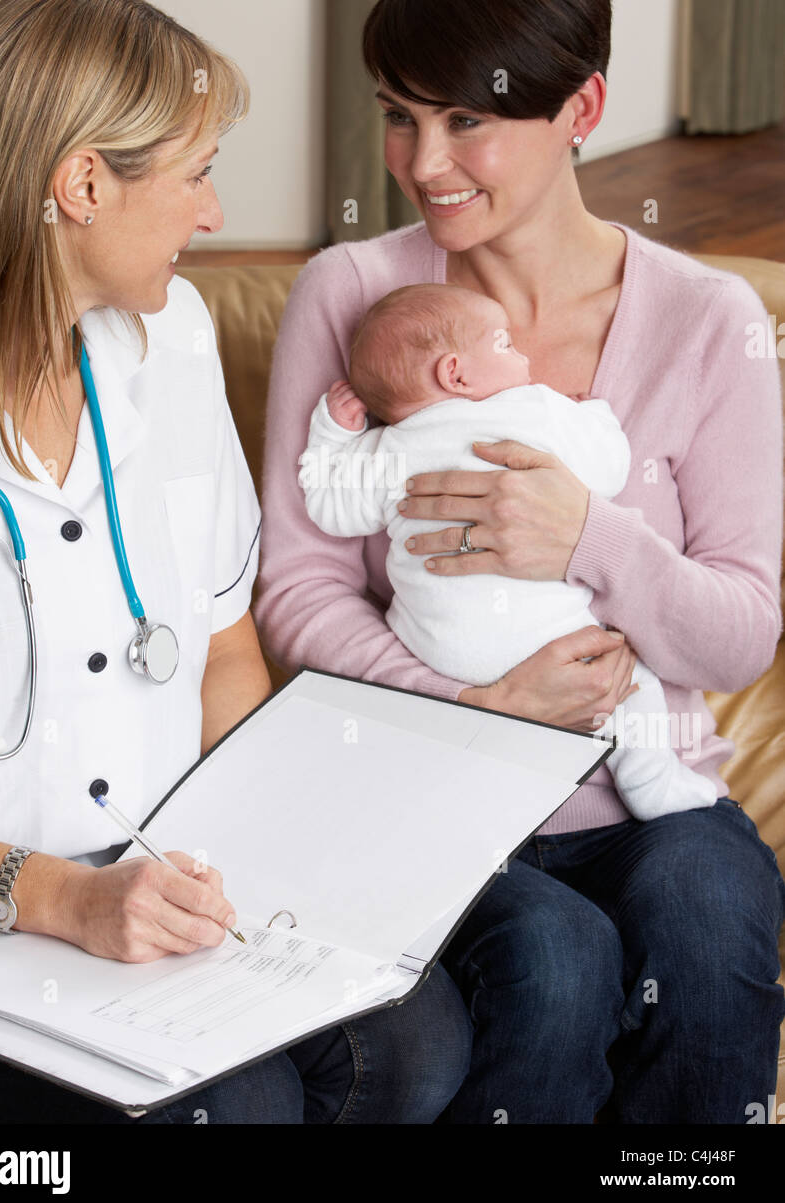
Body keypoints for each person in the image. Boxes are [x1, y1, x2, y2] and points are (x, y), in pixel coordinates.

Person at [255, 0, 785, 1122]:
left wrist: (584, 537)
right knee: (548, 968)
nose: (421, 159)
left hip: (648, 800)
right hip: (426, 794)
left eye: (464, 121)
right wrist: (474, 710)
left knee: (704, 928)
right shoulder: (348, 297)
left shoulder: (708, 322)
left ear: (580, 105)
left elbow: (737, 635)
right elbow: (298, 590)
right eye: (399, 114)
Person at [0, 0, 472, 1124]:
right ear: (80, 185)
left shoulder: (165, 340)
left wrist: (256, 870)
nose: (214, 213)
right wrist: (65, 900)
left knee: (415, 1043)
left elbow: (224, 653)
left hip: (160, 885)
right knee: (244, 1107)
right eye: (195, 172)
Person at [298, 279, 717, 821]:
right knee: (632, 685)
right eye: (503, 345)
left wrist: (331, 433)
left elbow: (331, 509)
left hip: (436, 653)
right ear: (456, 372)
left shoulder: (387, 450)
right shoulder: (533, 410)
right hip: (551, 641)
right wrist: (596, 415)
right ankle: (652, 785)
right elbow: (609, 469)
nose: (522, 356)